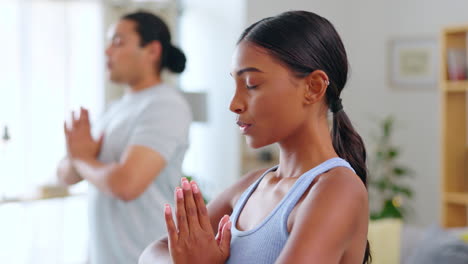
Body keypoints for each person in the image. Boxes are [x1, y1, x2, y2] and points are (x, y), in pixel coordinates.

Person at [139, 10, 370, 264]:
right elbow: (151, 254)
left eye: (251, 84)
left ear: (313, 87)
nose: (234, 104)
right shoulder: (249, 187)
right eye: (235, 86)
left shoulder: (338, 190)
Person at [56, 11, 192, 264]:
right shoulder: (113, 109)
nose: (107, 51)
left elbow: (126, 185)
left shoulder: (165, 104)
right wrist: (79, 159)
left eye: (118, 42)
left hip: (146, 256)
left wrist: (82, 158)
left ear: (152, 51)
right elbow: (65, 174)